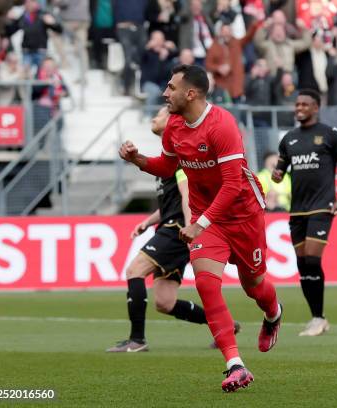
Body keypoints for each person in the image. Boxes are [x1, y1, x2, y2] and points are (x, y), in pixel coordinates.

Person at [119, 64, 281, 393]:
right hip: (209, 219)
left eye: (171, 88)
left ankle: (274, 314)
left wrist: (198, 223)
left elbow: (233, 185)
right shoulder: (174, 126)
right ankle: (235, 364)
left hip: (244, 214)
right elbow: (167, 165)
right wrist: (138, 160)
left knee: (255, 286)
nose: (165, 94)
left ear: (190, 94)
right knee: (207, 285)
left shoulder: (222, 125)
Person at [107, 107, 226, 353]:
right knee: (165, 302)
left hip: (176, 230)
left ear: (172, 121)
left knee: (134, 270)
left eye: (160, 114)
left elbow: (186, 196)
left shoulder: (182, 155)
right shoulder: (169, 157)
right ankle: (223, 327)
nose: (154, 117)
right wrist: (146, 223)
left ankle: (137, 340)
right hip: (173, 227)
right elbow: (169, 204)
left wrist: (193, 227)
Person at [272, 89, 337, 336]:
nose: (299, 108)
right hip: (297, 210)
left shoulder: (330, 135)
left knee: (312, 260)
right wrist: (277, 175)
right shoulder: (289, 139)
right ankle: (317, 317)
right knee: (302, 264)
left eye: (304, 104)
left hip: (321, 207)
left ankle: (318, 318)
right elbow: (280, 171)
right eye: (297, 104)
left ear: (315, 107)